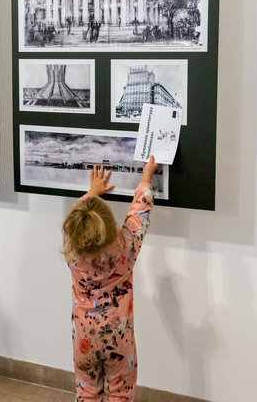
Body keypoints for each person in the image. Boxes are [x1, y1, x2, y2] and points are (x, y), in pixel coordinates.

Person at [62, 157, 159, 401]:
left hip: (83, 337)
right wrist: (146, 176)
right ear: (111, 227)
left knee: (86, 391)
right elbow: (140, 214)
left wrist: (90, 194)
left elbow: (76, 224)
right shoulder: (126, 249)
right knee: (121, 393)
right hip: (118, 338)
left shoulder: (72, 251)